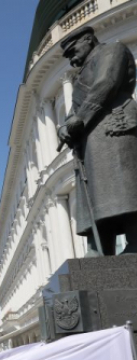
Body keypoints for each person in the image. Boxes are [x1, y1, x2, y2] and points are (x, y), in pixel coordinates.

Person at [57, 26, 137, 255]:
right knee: (98, 192)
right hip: (91, 134)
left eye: (73, 50)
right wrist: (65, 127)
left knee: (124, 185)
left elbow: (106, 83)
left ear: (88, 39)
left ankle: (135, 241)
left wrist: (79, 119)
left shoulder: (112, 50)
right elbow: (74, 110)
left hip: (114, 122)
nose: (72, 57)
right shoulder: (80, 76)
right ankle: (101, 248)